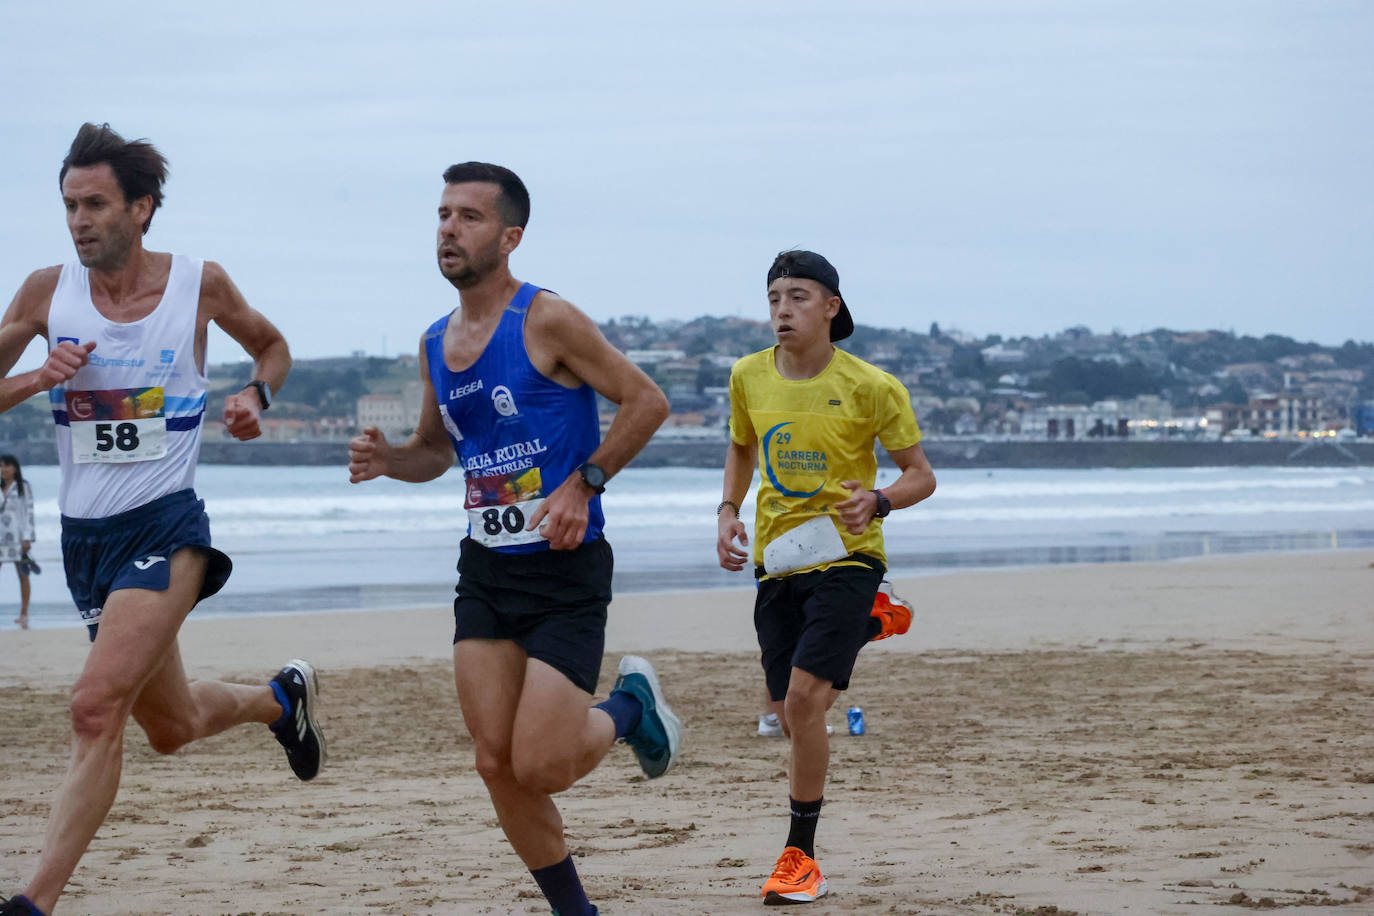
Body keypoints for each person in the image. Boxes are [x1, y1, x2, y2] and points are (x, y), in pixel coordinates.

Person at [0, 123, 324, 916]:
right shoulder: (48, 293)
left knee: (93, 705)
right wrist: (40, 375)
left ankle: (30, 903)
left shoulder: (197, 285)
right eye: (70, 204)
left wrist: (255, 395)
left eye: (97, 204)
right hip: (87, 541)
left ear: (142, 208)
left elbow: (273, 346)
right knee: (171, 726)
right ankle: (281, 701)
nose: (80, 220)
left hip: (167, 526)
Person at [348, 161, 679, 916]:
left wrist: (583, 483)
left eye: (467, 217)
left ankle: (630, 708)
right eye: (441, 215)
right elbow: (438, 451)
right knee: (495, 762)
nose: (448, 230)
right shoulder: (436, 341)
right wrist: (389, 460)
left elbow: (645, 401)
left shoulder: (545, 319)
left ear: (510, 235)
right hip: (487, 571)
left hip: (565, 571)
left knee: (542, 764)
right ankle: (576, 911)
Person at [716, 250, 935, 905]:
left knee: (809, 704)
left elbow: (920, 473)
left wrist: (880, 500)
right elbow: (740, 446)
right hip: (777, 561)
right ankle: (872, 618)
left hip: (849, 555)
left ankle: (799, 858)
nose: (783, 309)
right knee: (787, 714)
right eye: (775, 297)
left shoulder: (872, 385)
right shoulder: (747, 375)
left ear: (831, 307)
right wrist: (728, 510)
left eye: (799, 296)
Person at [0, 454, 36, 629]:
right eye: (1, 466)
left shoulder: (23, 487)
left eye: (7, 466)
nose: (3, 469)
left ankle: (24, 614)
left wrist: (28, 537)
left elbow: (29, 512)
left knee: (23, 575)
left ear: (15, 468)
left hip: (17, 538)